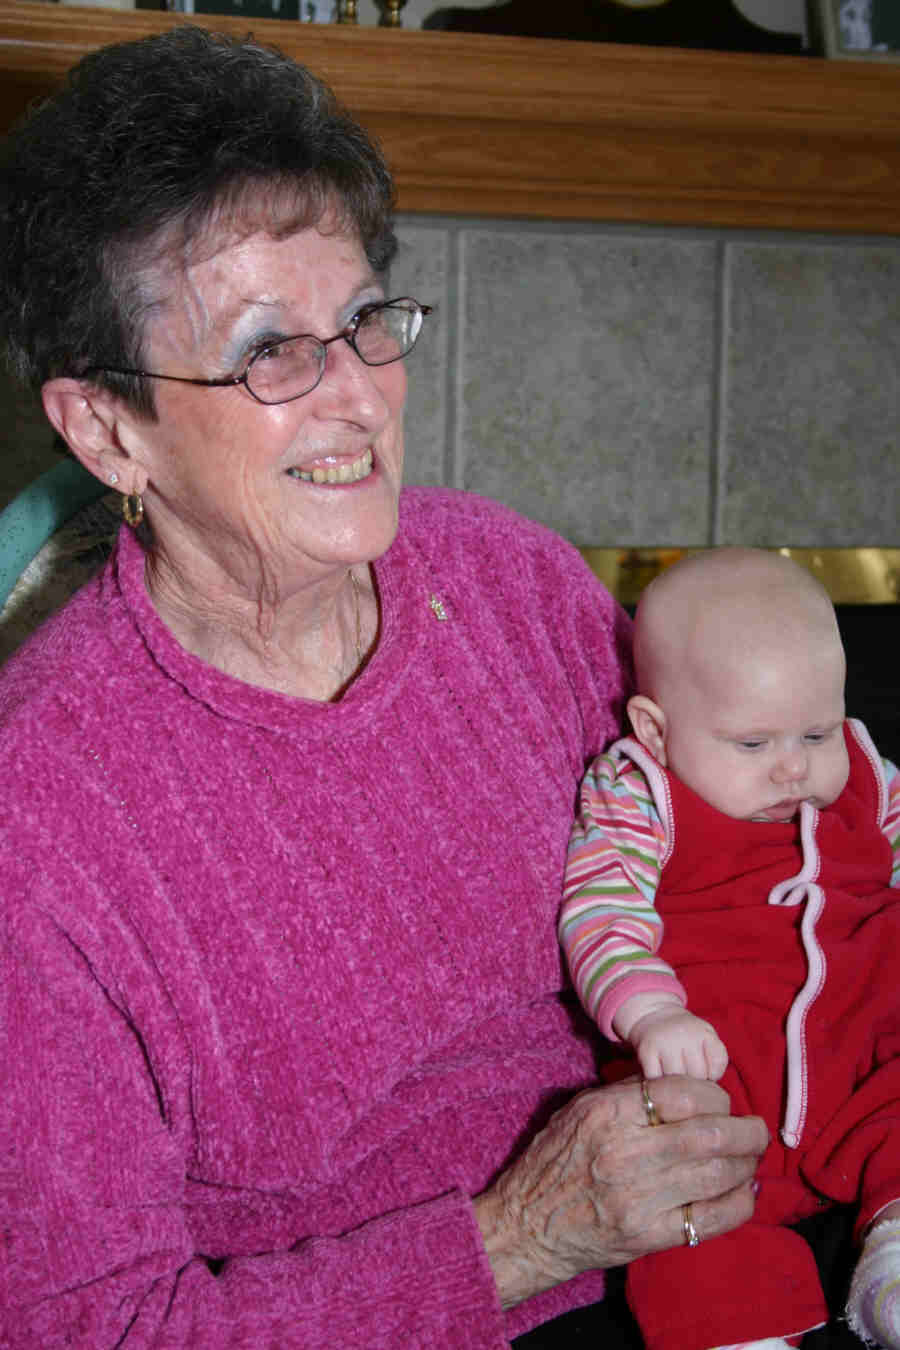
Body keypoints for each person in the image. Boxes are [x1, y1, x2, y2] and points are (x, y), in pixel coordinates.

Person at [0, 25, 767, 1348]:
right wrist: (528, 1234)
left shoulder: (518, 586)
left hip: (706, 1271)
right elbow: (101, 1328)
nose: (357, 395)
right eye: (269, 353)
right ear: (107, 427)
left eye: (362, 321)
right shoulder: (43, 819)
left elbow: (723, 864)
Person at [561, 547, 900, 1350]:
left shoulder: (862, 771)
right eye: (752, 745)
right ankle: (740, 1331)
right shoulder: (641, 789)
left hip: (864, 1043)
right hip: (716, 1067)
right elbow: (601, 904)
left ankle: (892, 1249)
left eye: (815, 730)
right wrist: (650, 1013)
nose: (793, 767)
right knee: (681, 1202)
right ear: (657, 727)